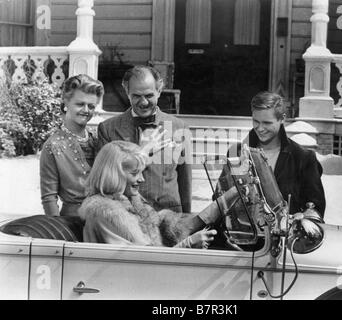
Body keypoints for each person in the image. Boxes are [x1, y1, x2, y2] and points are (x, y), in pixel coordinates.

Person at [79, 141, 239, 248]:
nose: (141, 179)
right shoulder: (104, 213)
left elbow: (169, 227)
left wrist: (226, 199)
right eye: (135, 173)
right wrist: (188, 244)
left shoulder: (130, 202)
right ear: (113, 174)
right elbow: (141, 262)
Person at [97, 65, 192, 214]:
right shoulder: (108, 129)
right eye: (136, 96)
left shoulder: (179, 127)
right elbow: (106, 179)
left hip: (170, 218)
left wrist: (187, 218)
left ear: (159, 92)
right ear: (127, 92)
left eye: (148, 95)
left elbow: (185, 182)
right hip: (128, 217)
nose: (143, 102)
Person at [221, 91, 326, 218]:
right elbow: (220, 198)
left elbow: (316, 209)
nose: (260, 128)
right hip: (242, 234)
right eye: (256, 121)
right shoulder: (235, 152)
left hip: (284, 235)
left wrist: (302, 217)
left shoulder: (303, 158)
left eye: (267, 123)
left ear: (282, 119)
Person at [40, 74, 104, 216]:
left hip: (103, 219)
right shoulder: (53, 146)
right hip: (72, 223)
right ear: (66, 103)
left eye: (91, 106)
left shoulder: (99, 140)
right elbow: (49, 198)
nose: (86, 110)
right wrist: (57, 231)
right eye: (80, 104)